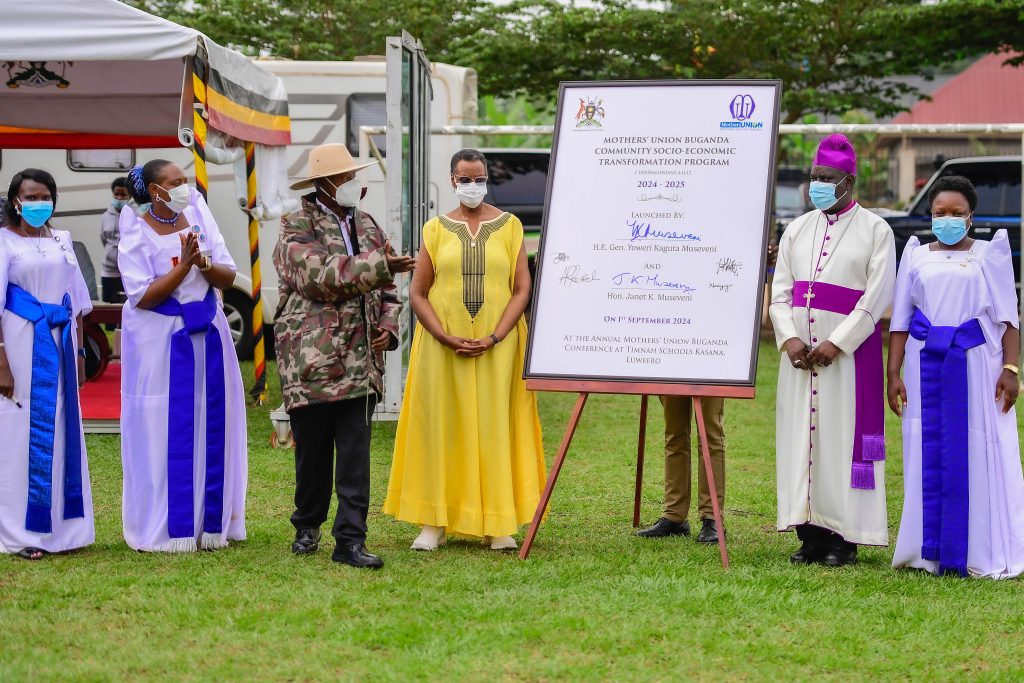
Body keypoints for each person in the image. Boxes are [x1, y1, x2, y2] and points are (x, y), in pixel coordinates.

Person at [383, 148, 546, 552]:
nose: (472, 185)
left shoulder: (510, 227)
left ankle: (498, 523)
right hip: (442, 347)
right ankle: (433, 522)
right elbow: (418, 293)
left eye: (479, 178)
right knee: (440, 425)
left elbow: (522, 288)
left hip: (499, 346)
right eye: (465, 179)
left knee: (496, 425)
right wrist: (443, 335)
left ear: (487, 177)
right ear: (452, 181)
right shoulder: (434, 229)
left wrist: (495, 336)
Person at [274, 143, 413, 569]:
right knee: (312, 453)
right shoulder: (295, 225)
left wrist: (390, 328)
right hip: (311, 362)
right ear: (328, 183)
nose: (359, 182)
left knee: (355, 455)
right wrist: (383, 267)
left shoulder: (367, 224)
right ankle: (307, 522)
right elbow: (319, 277)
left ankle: (350, 540)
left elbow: (390, 291)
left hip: (360, 363)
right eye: (351, 176)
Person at [887, 175, 1024, 578]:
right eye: (939, 213)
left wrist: (1011, 369)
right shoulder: (915, 254)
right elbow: (900, 319)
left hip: (975, 363)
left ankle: (976, 550)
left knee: (978, 445)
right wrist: (893, 372)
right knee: (924, 448)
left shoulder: (989, 253)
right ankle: (925, 550)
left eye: (956, 213)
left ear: (970, 217)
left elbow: (1008, 318)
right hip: (924, 361)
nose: (947, 219)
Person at [769, 134, 896, 566]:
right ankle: (809, 535)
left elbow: (876, 299)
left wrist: (836, 343)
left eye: (827, 178)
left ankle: (844, 538)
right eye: (814, 177)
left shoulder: (876, 230)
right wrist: (787, 337)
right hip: (799, 359)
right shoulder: (798, 229)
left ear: (849, 181)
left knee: (840, 442)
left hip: (847, 358)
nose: (817, 185)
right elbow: (779, 294)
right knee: (801, 441)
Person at [118, 160, 248, 552]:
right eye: (175, 183)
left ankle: (210, 525)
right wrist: (185, 265)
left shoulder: (197, 211)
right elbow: (141, 295)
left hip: (208, 330)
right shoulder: (134, 226)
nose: (184, 187)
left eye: (184, 180)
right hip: (160, 339)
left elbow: (227, 275)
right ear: (155, 191)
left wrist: (202, 263)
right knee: (164, 424)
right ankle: (168, 526)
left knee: (211, 420)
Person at [0, 168, 93, 560]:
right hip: (21, 341)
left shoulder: (62, 239)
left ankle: (65, 531)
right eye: (29, 196)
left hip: (61, 341)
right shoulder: (4, 242)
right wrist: (2, 361)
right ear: (15, 201)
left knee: (61, 428)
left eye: (44, 196)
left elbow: (77, 299)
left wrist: (82, 352)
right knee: (20, 433)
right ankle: (20, 532)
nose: (37, 203)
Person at [636, 397, 726, 544]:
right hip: (673, 373)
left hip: (711, 374)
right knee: (674, 434)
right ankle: (674, 516)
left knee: (710, 434)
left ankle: (712, 516)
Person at [100, 177, 130, 308]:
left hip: (127, 271)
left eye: (123, 194)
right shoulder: (105, 216)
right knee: (108, 306)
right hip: (108, 271)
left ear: (129, 195)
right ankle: (110, 329)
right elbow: (103, 238)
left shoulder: (135, 214)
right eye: (116, 194)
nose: (119, 197)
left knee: (125, 307)